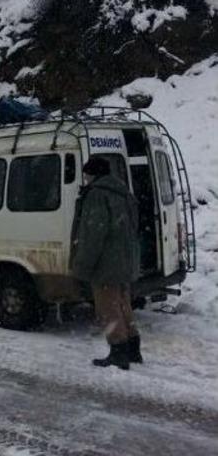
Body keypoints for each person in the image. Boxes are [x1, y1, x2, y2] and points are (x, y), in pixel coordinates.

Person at [71, 158, 142, 370]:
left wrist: (82, 267)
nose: (85, 179)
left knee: (108, 309)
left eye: (87, 174)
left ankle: (118, 352)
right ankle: (133, 348)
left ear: (94, 174)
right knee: (123, 304)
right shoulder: (124, 193)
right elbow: (134, 226)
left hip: (106, 264)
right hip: (125, 261)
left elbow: (93, 235)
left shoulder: (97, 195)